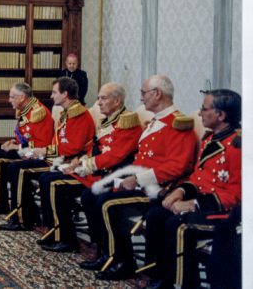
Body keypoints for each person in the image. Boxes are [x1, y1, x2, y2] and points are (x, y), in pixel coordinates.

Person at [85, 75, 197, 281]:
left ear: (157, 94)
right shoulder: (156, 121)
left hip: (159, 189)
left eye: (144, 93)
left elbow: (178, 166)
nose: (141, 98)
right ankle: (108, 254)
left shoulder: (178, 123)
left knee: (108, 203)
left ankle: (123, 261)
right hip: (143, 183)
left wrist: (138, 179)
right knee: (94, 195)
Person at [141, 89, 240, 289]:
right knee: (156, 215)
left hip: (225, 213)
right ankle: (160, 276)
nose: (199, 112)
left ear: (221, 115)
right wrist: (180, 192)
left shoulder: (238, 146)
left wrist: (193, 204)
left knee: (178, 226)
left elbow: (237, 195)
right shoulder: (209, 138)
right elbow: (199, 178)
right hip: (204, 202)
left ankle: (185, 284)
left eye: (204, 109)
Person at [36, 82, 141, 254]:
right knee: (50, 180)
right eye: (98, 98)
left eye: (103, 98)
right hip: (96, 172)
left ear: (117, 101)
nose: (98, 102)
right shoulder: (109, 121)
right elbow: (95, 147)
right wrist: (80, 161)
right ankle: (65, 234)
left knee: (58, 185)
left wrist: (85, 165)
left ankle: (72, 239)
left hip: (109, 175)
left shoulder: (127, 122)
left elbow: (115, 156)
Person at [0, 77, 94, 231]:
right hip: (57, 158)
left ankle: (27, 220)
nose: (51, 96)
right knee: (16, 168)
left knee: (20, 170)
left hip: (67, 163)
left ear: (65, 94)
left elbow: (73, 148)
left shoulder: (79, 115)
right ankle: (33, 219)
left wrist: (45, 151)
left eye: (54, 92)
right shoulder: (68, 113)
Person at [0, 82, 53, 215]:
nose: (9, 100)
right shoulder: (26, 108)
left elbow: (41, 144)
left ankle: (1, 203)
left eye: (12, 97)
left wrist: (16, 146)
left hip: (37, 154)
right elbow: (26, 136)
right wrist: (12, 141)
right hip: (27, 148)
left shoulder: (38, 112)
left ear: (22, 97)